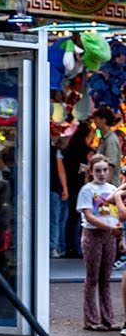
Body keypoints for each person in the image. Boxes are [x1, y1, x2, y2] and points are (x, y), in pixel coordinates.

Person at [77, 155, 119, 331]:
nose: (102, 174)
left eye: (105, 170)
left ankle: (108, 318)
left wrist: (120, 236)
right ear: (91, 172)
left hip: (110, 235)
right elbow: (89, 216)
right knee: (92, 277)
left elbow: (117, 214)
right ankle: (91, 319)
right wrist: (110, 228)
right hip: (93, 235)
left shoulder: (113, 189)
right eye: (98, 170)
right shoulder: (87, 190)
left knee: (105, 278)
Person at [64, 120, 96, 257]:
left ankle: (69, 246)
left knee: (71, 218)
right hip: (82, 186)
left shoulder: (68, 150)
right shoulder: (87, 151)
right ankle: (81, 246)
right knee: (84, 218)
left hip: (70, 186)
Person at [50, 124, 70, 259]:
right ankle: (53, 247)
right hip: (54, 188)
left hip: (43, 188)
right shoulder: (56, 152)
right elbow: (61, 171)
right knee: (55, 219)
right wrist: (65, 188)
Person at [92, 106, 122, 174]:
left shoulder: (111, 140)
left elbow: (110, 165)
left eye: (96, 119)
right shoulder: (103, 138)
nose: (94, 122)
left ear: (103, 120)